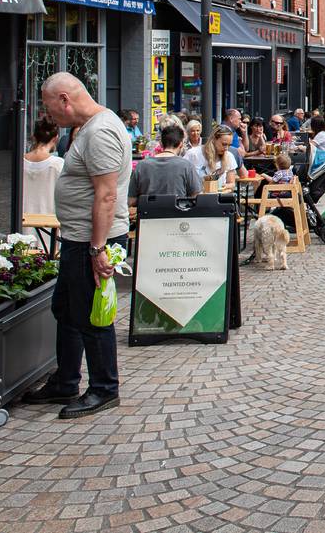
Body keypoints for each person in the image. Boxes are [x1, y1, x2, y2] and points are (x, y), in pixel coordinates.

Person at [24, 73, 128, 419]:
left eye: (49, 106)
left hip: (91, 242)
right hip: (79, 239)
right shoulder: (85, 129)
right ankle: (65, 380)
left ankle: (104, 388)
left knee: (91, 315)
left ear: (65, 99)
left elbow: (107, 194)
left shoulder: (99, 133)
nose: (47, 114)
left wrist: (98, 249)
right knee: (67, 310)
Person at [129, 123, 200, 204]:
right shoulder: (186, 166)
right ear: (181, 144)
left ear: (161, 143)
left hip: (149, 214)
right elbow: (196, 195)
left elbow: (131, 200)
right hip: (178, 215)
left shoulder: (141, 165)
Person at [22, 117, 64, 237]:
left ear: (34, 137)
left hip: (23, 222)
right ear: (55, 138)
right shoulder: (58, 164)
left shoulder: (20, 162)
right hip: (49, 223)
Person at [186, 124, 238, 190]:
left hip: (219, 197)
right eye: (224, 144)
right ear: (214, 139)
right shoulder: (193, 153)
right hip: (198, 197)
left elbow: (231, 183)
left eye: (229, 145)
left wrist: (224, 186)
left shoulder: (229, 156)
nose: (226, 148)